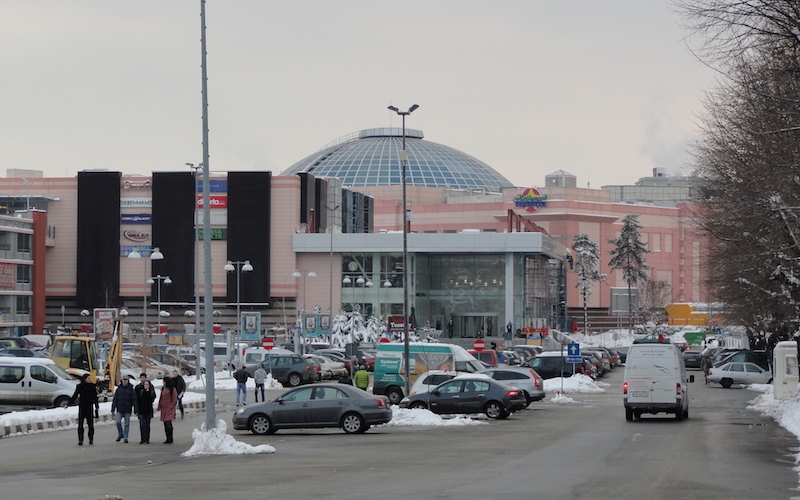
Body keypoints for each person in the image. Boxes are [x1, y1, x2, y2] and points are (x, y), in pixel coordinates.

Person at [67, 373, 99, 446]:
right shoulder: (80, 386)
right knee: (80, 425)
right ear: (84, 379)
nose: (89, 379)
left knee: (90, 425)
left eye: (89, 378)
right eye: (88, 378)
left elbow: (95, 397)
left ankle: (91, 438)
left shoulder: (92, 386)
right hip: (82, 407)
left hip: (89, 407)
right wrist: (69, 404)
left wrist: (97, 406)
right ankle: (80, 440)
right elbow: (75, 395)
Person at [110, 376, 137, 443]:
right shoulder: (119, 389)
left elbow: (134, 400)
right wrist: (113, 409)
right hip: (119, 409)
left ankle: (125, 437)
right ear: (121, 381)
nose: (125, 381)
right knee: (118, 422)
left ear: (128, 381)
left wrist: (135, 408)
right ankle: (120, 434)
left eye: (126, 380)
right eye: (123, 380)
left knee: (126, 424)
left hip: (127, 409)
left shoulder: (131, 389)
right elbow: (115, 400)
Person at [135, 375, 156, 444]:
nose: (146, 385)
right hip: (141, 410)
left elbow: (152, 399)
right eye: (145, 384)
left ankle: (147, 438)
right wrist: (136, 409)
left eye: (147, 384)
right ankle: (142, 438)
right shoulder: (140, 390)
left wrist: (148, 391)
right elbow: (137, 400)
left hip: (148, 411)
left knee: (147, 425)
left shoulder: (151, 391)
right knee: (142, 425)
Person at [157, 376, 177, 444]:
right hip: (163, 408)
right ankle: (167, 438)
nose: (163, 383)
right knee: (165, 423)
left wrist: (171, 407)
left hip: (169, 409)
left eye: (164, 381)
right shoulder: (163, 388)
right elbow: (161, 398)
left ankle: (170, 438)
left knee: (168, 423)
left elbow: (174, 400)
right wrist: (159, 406)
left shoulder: (172, 389)